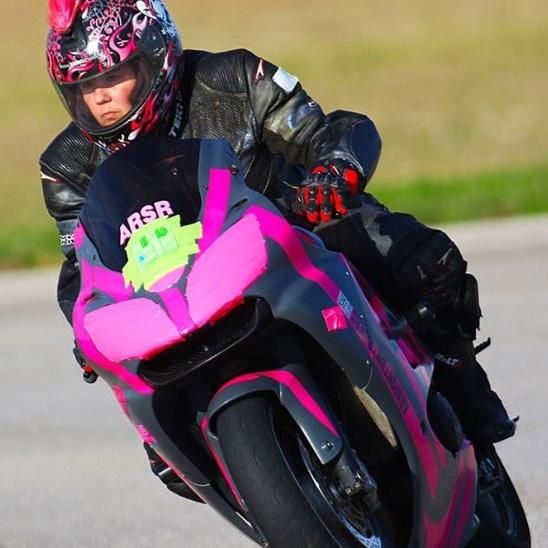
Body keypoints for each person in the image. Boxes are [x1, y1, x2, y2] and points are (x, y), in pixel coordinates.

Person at [41, 0, 515, 497]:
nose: (100, 98)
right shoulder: (66, 166)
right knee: (166, 459)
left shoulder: (236, 78)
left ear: (155, 55)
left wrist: (332, 170)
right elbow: (81, 268)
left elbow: (328, 132)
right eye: (83, 86)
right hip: (175, 305)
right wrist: (85, 328)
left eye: (113, 76)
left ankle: (468, 411)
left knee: (423, 262)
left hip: (292, 243)